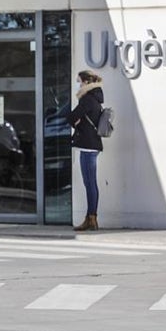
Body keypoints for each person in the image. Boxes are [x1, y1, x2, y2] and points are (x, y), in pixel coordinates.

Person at [67, 69, 104, 231]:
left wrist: (76, 121)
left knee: (89, 183)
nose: (78, 85)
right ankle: (91, 217)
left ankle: (91, 218)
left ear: (87, 83)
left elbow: (71, 117)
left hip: (88, 146)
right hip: (92, 145)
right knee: (90, 183)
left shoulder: (88, 99)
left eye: (79, 81)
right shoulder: (95, 98)